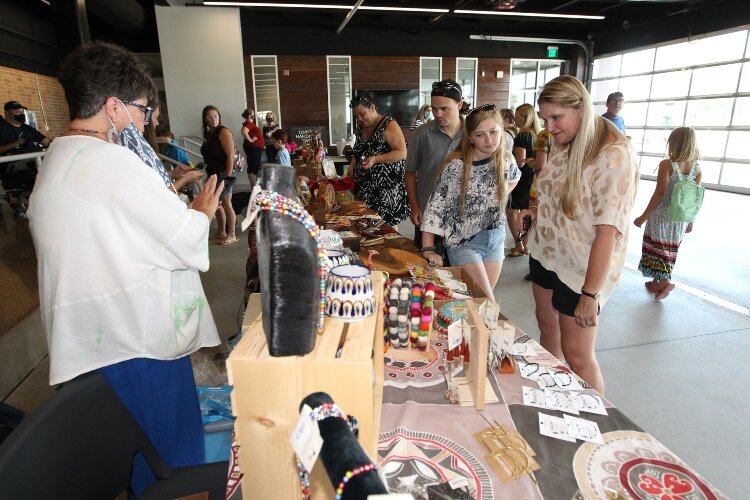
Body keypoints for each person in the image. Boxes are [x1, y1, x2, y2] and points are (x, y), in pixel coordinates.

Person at [26, 41, 223, 496]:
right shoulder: (112, 161)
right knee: (172, 469)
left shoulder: (57, 158)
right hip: (138, 344)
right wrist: (203, 212)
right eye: (141, 109)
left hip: (93, 345)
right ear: (113, 107)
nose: (146, 121)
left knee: (134, 462)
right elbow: (184, 239)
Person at [521, 75, 639, 394]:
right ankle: (558, 400)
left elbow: (608, 232)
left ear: (582, 108)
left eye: (556, 117)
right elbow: (558, 192)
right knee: (548, 336)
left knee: (578, 355)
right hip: (546, 252)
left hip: (580, 269)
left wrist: (590, 294)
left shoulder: (614, 153)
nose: (549, 127)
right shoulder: (565, 139)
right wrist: (535, 215)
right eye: (545, 118)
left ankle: (594, 426)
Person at [420, 104, 520, 302]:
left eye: (493, 132)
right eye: (480, 135)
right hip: (464, 242)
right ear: (470, 138)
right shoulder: (456, 166)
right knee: (487, 302)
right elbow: (435, 208)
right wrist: (428, 248)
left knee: (477, 304)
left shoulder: (506, 158)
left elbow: (515, 177)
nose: (489, 140)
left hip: (496, 238)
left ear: (502, 130)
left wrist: (499, 196)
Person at [634, 127, 702, 301]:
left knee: (658, 248)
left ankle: (664, 283)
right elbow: (694, 199)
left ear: (674, 143)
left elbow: (660, 193)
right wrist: (690, 222)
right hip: (680, 218)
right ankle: (657, 282)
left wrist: (643, 216)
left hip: (662, 215)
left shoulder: (668, 164)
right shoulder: (697, 169)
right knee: (668, 250)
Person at [405, 79, 464, 255]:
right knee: (428, 271)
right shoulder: (422, 133)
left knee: (461, 273)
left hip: (462, 217)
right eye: (434, 108)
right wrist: (414, 206)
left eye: (444, 108)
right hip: (428, 216)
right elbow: (409, 173)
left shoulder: (473, 132)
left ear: (459, 104)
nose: (438, 114)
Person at [349, 91, 410, 227]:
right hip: (367, 190)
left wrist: (376, 159)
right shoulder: (361, 127)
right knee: (367, 230)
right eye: (356, 116)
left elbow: (402, 153)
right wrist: (353, 164)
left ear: (372, 108)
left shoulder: (389, 125)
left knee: (386, 231)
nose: (359, 119)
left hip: (387, 191)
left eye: (362, 114)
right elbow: (358, 149)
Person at [507, 103, 541, 257]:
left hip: (521, 179)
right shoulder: (537, 135)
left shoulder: (522, 136)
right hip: (533, 178)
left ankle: (518, 244)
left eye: (518, 116)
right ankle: (525, 245)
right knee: (528, 213)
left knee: (511, 212)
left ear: (525, 117)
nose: (515, 119)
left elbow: (520, 162)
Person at [201, 105, 238, 244]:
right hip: (213, 173)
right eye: (210, 117)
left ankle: (232, 234)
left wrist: (227, 179)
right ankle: (221, 231)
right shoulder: (209, 134)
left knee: (227, 203)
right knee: (217, 203)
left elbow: (230, 157)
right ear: (205, 119)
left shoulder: (223, 132)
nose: (213, 119)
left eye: (215, 116)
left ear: (219, 117)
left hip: (224, 172)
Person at [240, 108, 264, 186]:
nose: (254, 115)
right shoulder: (249, 123)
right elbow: (244, 131)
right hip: (253, 148)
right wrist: (250, 140)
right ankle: (254, 188)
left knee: (255, 168)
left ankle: (255, 187)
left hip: (255, 149)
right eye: (253, 114)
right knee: (252, 168)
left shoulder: (250, 123)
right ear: (250, 115)